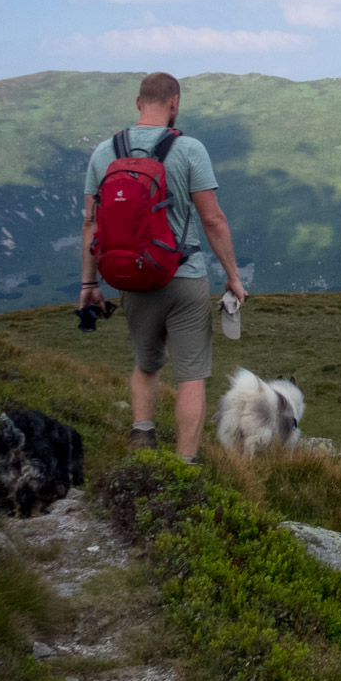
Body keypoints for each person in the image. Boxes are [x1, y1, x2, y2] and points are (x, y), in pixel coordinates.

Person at [77, 72, 246, 463]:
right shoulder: (189, 149)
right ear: (175, 103)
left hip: (131, 278)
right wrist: (233, 277)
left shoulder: (105, 153)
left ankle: (142, 440)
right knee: (191, 376)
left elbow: (90, 223)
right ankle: (184, 466)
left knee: (146, 364)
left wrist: (89, 283)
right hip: (183, 276)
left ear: (138, 103)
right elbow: (213, 219)